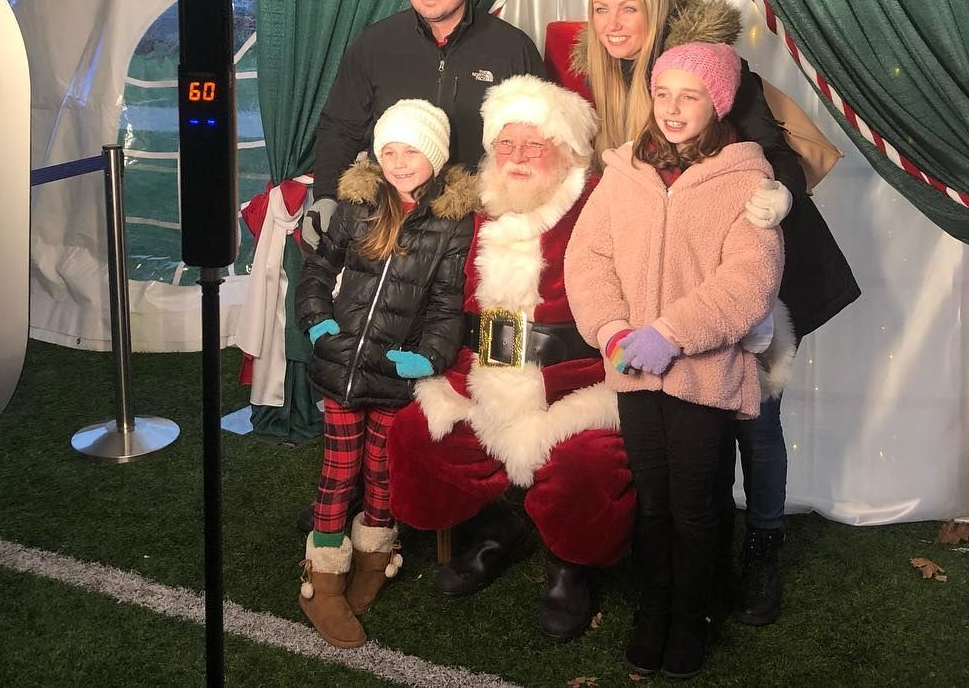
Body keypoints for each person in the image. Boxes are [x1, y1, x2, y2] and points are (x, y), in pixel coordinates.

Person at [574, 0, 860, 624]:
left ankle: (761, 549)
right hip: (668, 291)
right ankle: (679, 565)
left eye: (629, 8)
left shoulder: (703, 65)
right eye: (600, 8)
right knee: (684, 442)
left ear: (656, 8)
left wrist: (778, 201)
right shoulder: (610, 81)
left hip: (760, 270)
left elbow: (773, 156)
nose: (614, 23)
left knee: (755, 422)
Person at [566, 42, 785, 679]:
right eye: (663, 93)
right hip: (632, 368)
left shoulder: (747, 180)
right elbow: (588, 258)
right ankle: (653, 608)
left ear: (716, 102)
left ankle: (692, 615)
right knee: (654, 501)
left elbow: (750, 280)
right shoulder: (625, 171)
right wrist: (610, 328)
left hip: (703, 373)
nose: (672, 108)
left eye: (689, 95)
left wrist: (672, 331)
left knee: (695, 504)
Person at [388, 75, 631, 642]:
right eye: (505, 144)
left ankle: (570, 565)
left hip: (576, 379)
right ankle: (504, 525)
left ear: (566, 151)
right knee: (416, 433)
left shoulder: (599, 203)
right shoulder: (479, 206)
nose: (517, 157)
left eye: (534, 145)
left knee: (585, 464)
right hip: (487, 365)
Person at [293, 98, 475, 649]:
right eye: (389, 150)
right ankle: (323, 574)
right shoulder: (359, 203)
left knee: (381, 470)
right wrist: (318, 320)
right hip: (341, 363)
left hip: (394, 375)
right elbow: (318, 269)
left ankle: (375, 551)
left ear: (436, 156)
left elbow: (448, 305)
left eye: (411, 150)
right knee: (338, 470)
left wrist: (432, 356)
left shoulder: (452, 222)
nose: (398, 161)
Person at [302, 0, 544, 250]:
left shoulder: (512, 49)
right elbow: (340, 127)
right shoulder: (374, 44)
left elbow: (541, 142)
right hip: (389, 226)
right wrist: (326, 195)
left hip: (477, 231)